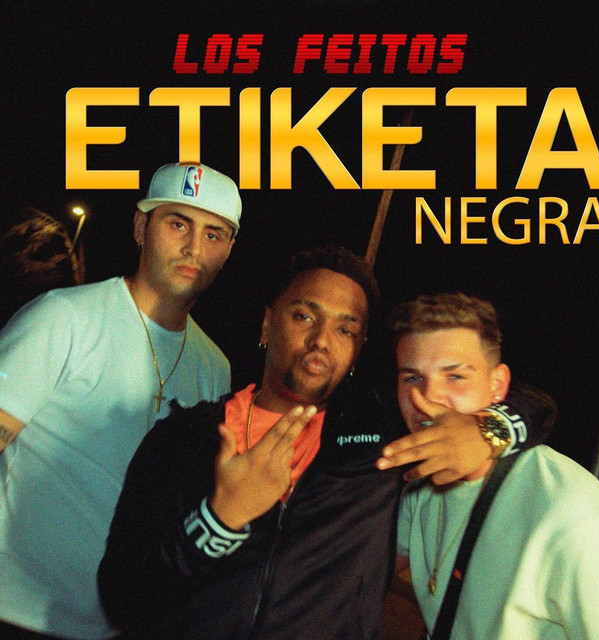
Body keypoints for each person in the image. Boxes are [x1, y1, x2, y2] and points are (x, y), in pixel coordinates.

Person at [98, 246, 555, 640]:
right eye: (304, 316)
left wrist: (489, 430)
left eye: (345, 329)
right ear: (268, 323)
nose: (320, 340)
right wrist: (220, 520)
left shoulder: (383, 436)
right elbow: (121, 599)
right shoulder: (183, 438)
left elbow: (537, 405)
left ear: (356, 350)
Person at [0, 162, 241, 640]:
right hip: (12, 609)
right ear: (140, 227)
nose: (194, 247)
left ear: (228, 249)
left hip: (114, 628)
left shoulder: (215, 367)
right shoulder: (65, 318)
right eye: (178, 224)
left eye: (213, 234)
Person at [391, 293, 599, 640]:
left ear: (497, 386)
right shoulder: (420, 486)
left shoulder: (577, 519)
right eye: (412, 378)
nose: (426, 397)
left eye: (455, 376)